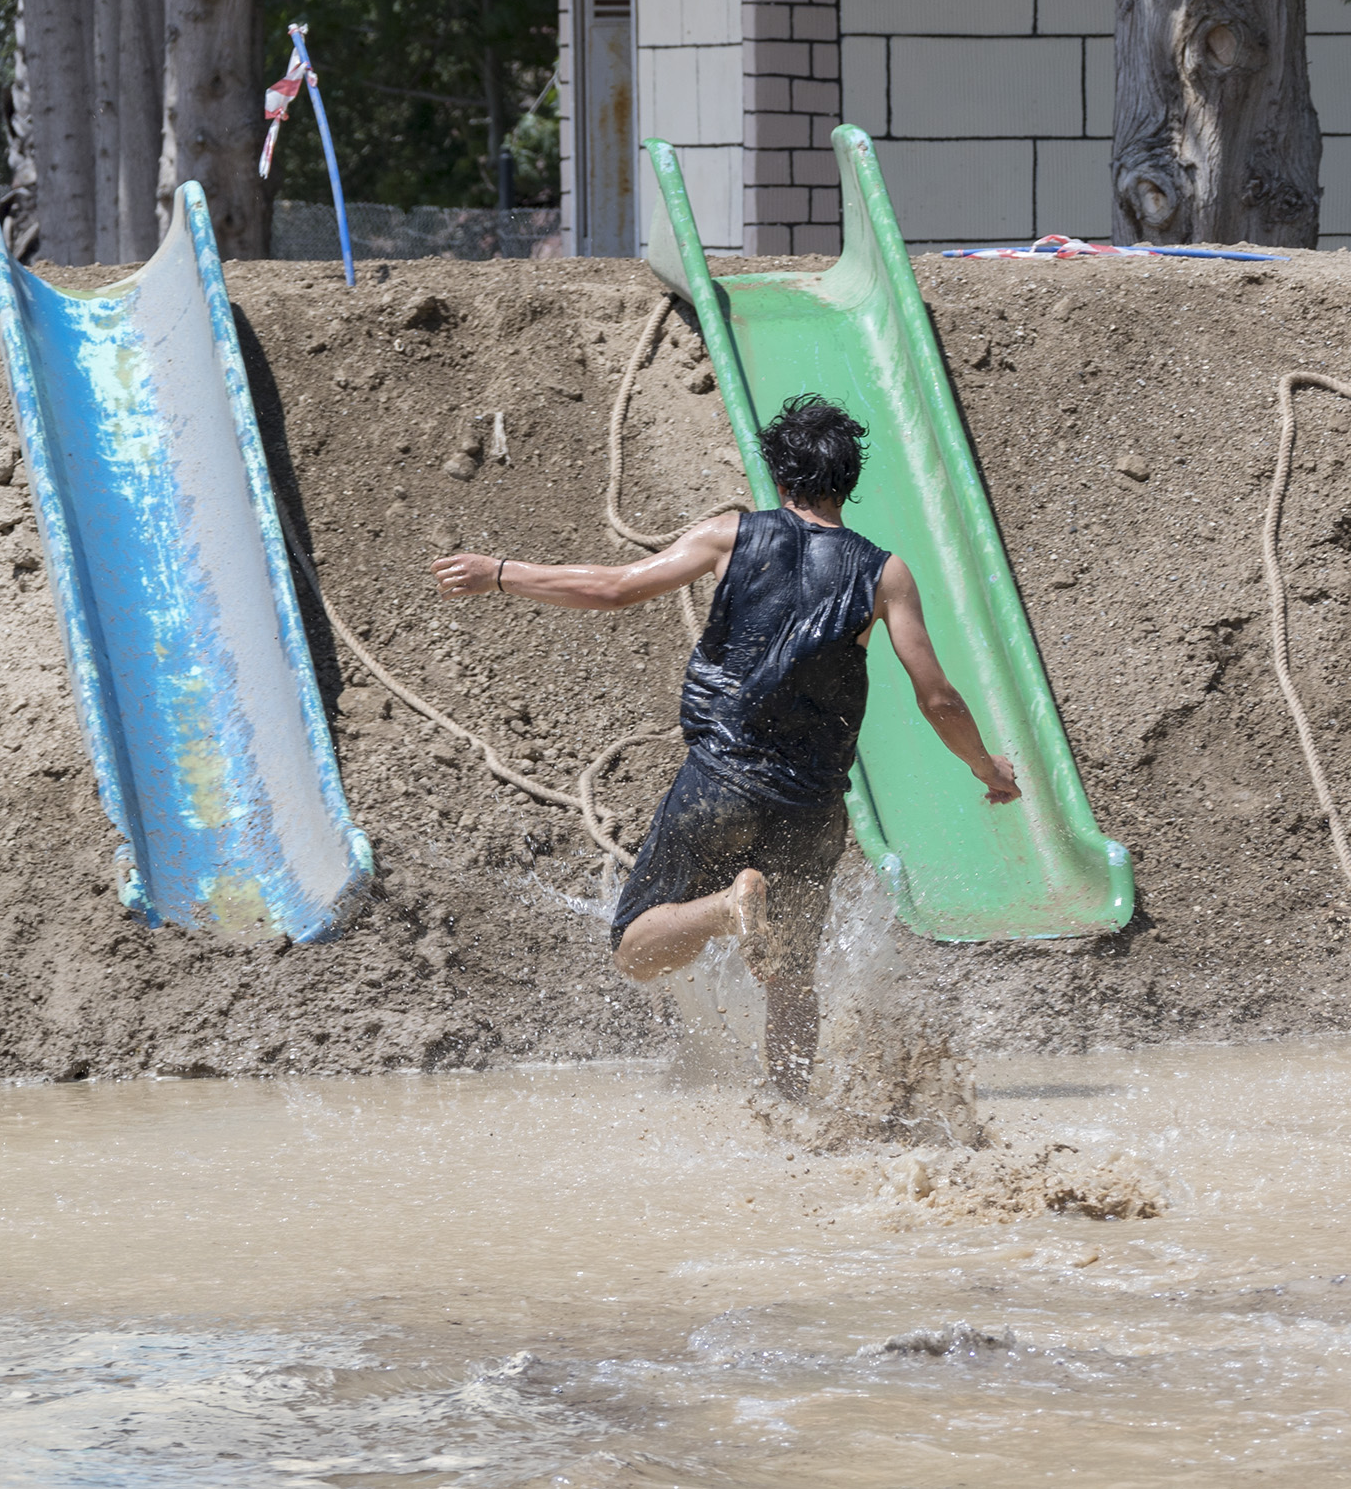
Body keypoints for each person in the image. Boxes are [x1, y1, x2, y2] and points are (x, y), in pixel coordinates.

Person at [430, 396, 1020, 1096]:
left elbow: (616, 588)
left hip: (719, 782)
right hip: (809, 803)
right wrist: (988, 767)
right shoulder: (884, 574)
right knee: (792, 977)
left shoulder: (731, 536)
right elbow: (937, 697)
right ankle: (795, 1116)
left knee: (634, 948)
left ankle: (723, 907)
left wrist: (501, 571)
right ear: (848, 481)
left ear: (778, 476)